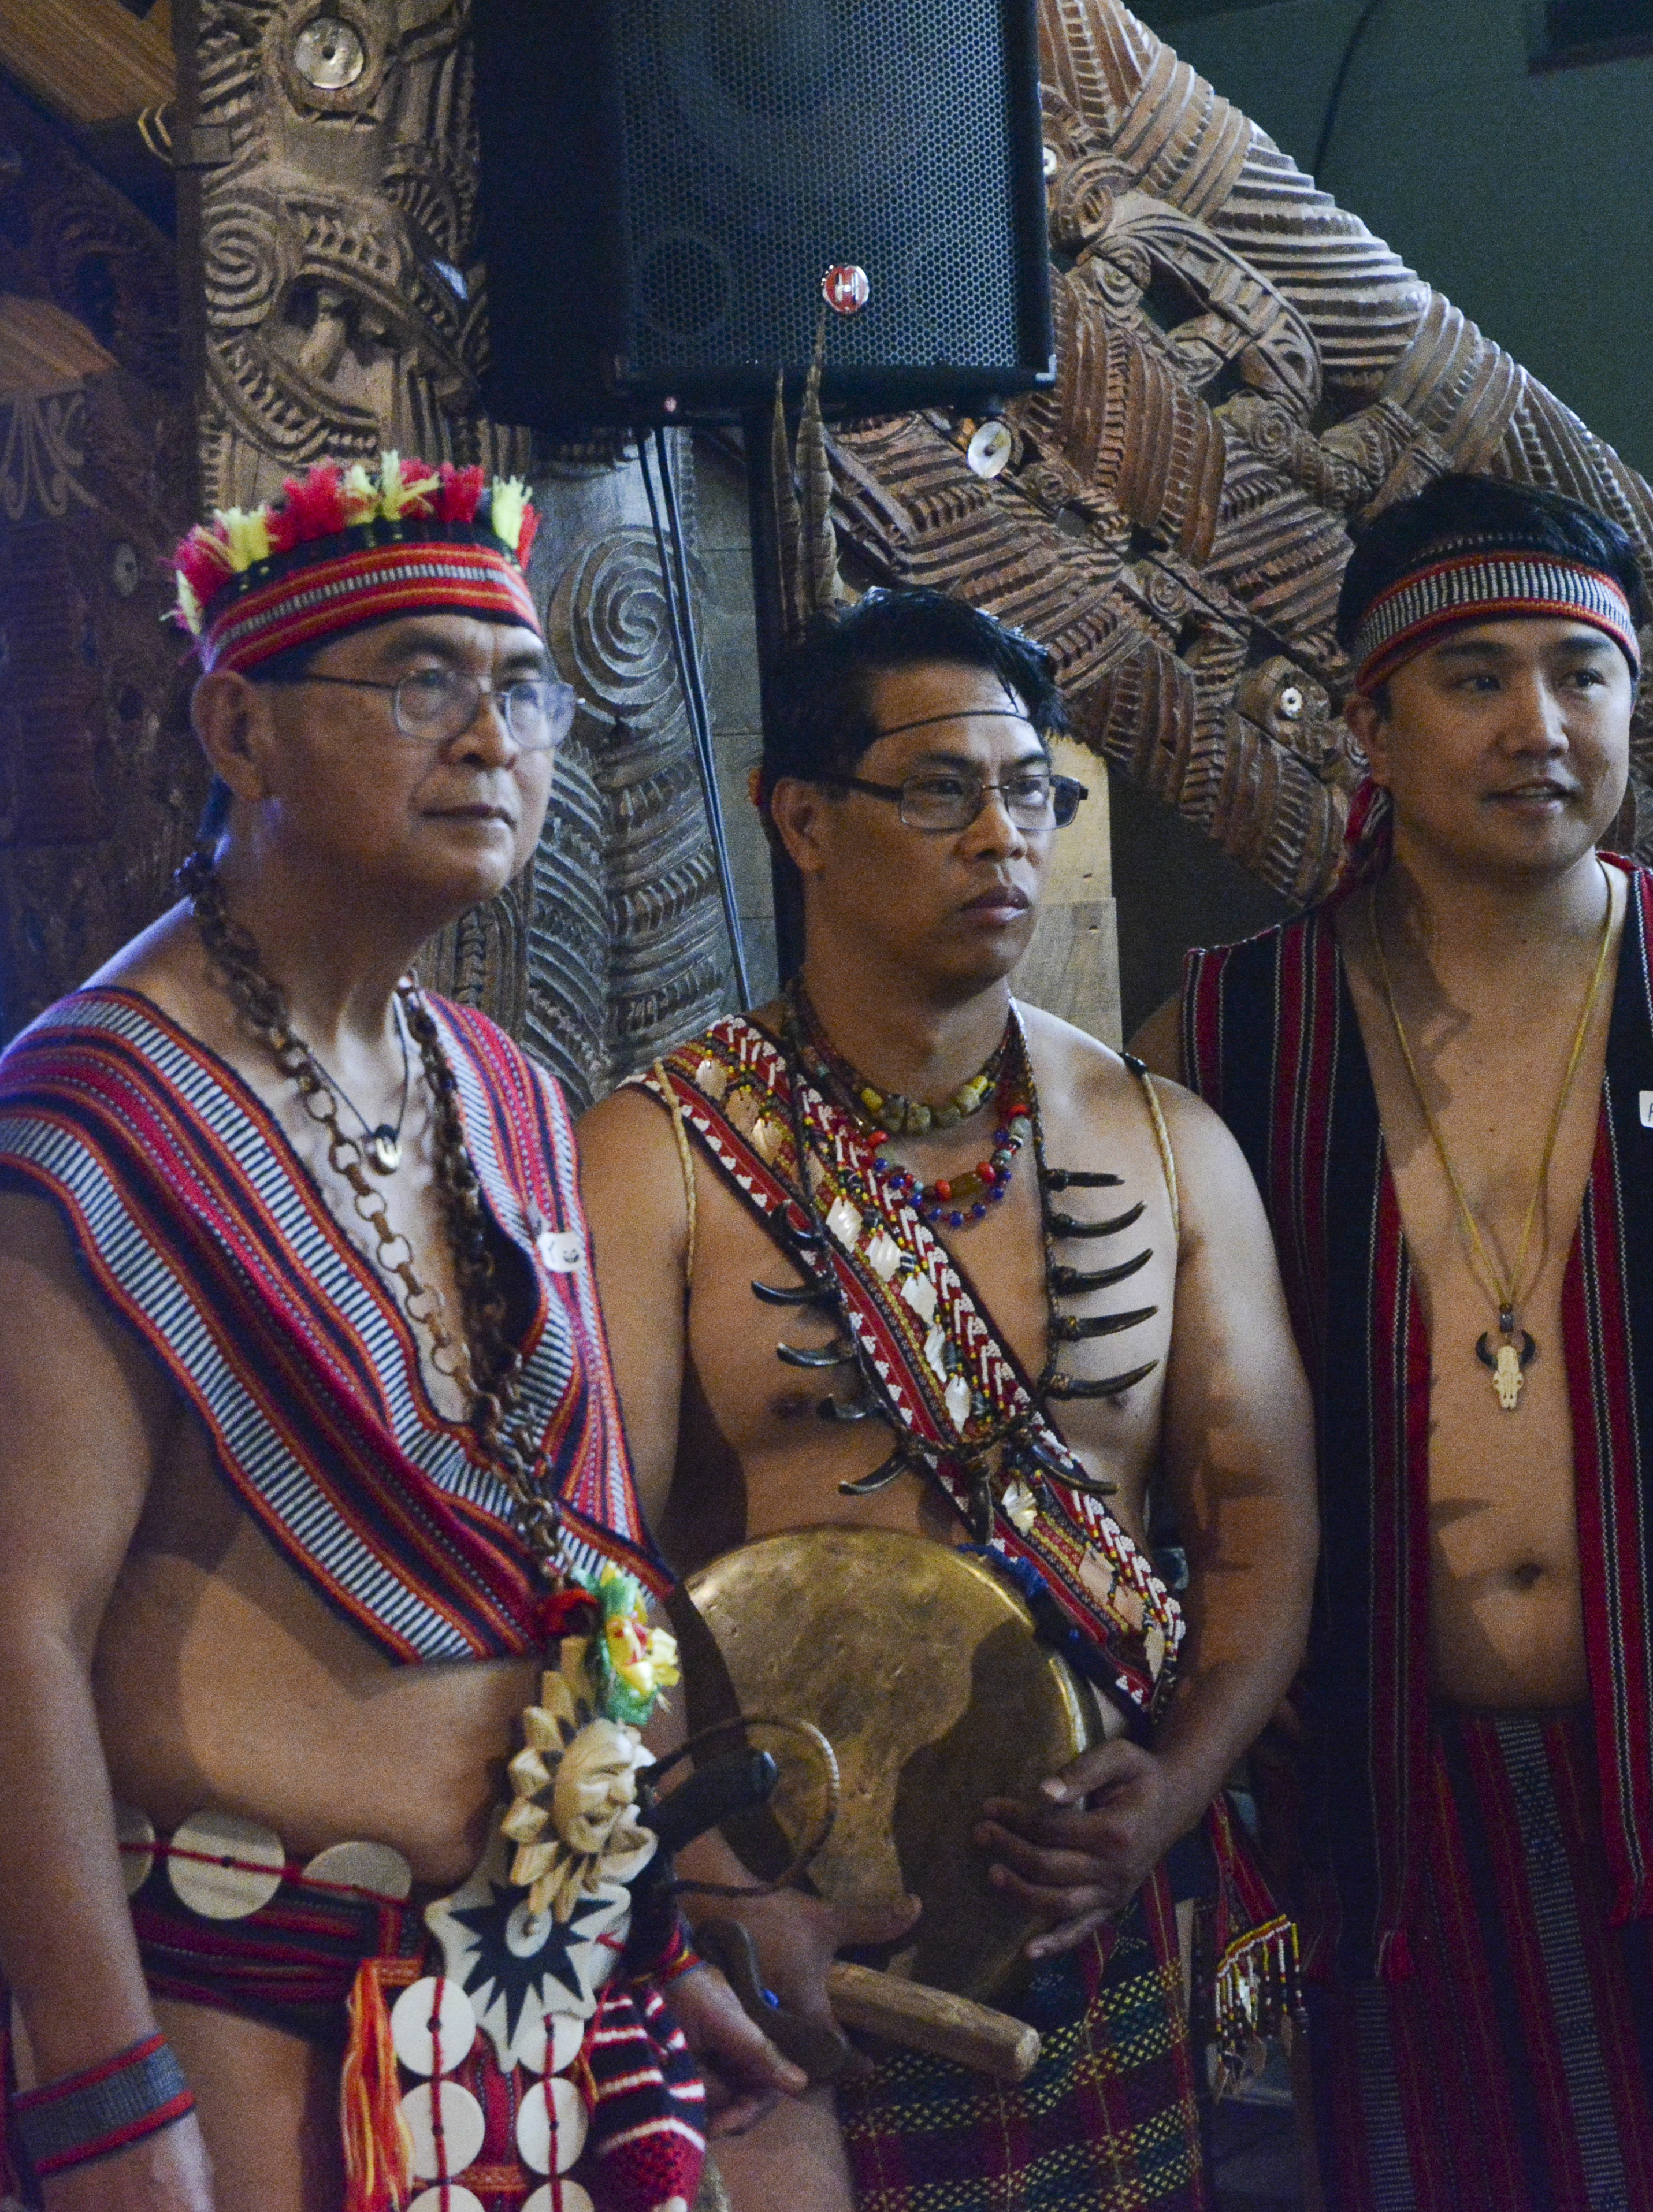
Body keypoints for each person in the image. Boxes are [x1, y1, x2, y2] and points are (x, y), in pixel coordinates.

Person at [0, 456, 803, 2212]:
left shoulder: (499, 1090)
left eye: (521, 684)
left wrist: (647, 1939)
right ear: (240, 727)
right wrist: (110, 2102)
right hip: (248, 2018)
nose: (493, 736)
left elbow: (561, 1578)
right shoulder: (90, 1137)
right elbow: (8, 1644)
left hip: (539, 2002)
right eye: (421, 679)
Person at [1133, 471, 1653, 2210]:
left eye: (1582, 676)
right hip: (1380, 1793)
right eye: (1475, 677)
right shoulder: (1229, 1024)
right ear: (1370, 718)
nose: (1540, 726)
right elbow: (1149, 1442)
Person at [580, 586, 1320, 2211]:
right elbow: (595, 1562)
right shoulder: (660, 1156)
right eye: (939, 790)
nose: (1002, 833)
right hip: (784, 1930)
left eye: (1031, 791)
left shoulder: (1166, 1137)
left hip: (1094, 1908)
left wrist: (1168, 1794)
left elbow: (1264, 1524)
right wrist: (708, 1883)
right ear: (804, 821)